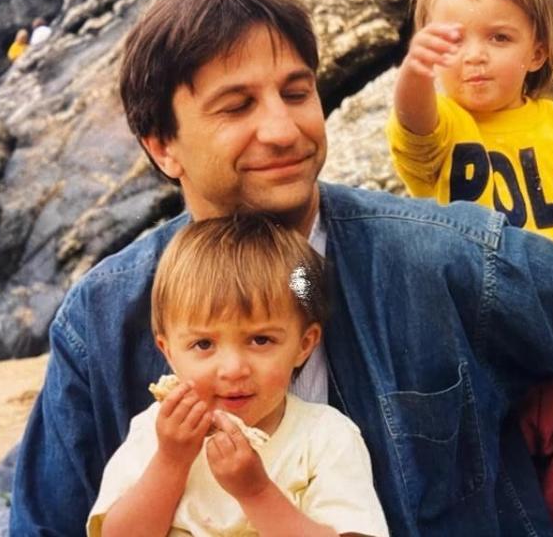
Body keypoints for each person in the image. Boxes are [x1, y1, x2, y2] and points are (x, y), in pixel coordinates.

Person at [10, 0, 553, 537]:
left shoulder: (445, 255)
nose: (282, 129)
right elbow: (46, 525)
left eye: (296, 92)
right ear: (162, 146)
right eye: (236, 106)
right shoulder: (102, 319)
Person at [385, 0, 553, 536]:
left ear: (537, 52)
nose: (474, 54)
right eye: (452, 41)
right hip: (482, 334)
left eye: (499, 37)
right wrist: (415, 74)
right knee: (495, 470)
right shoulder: (446, 128)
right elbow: (414, 121)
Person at [87, 214, 388, 536]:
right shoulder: (157, 433)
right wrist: (171, 462)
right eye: (203, 344)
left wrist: (257, 492)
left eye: (261, 340)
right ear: (168, 352)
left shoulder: (324, 437)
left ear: (304, 345)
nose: (233, 369)